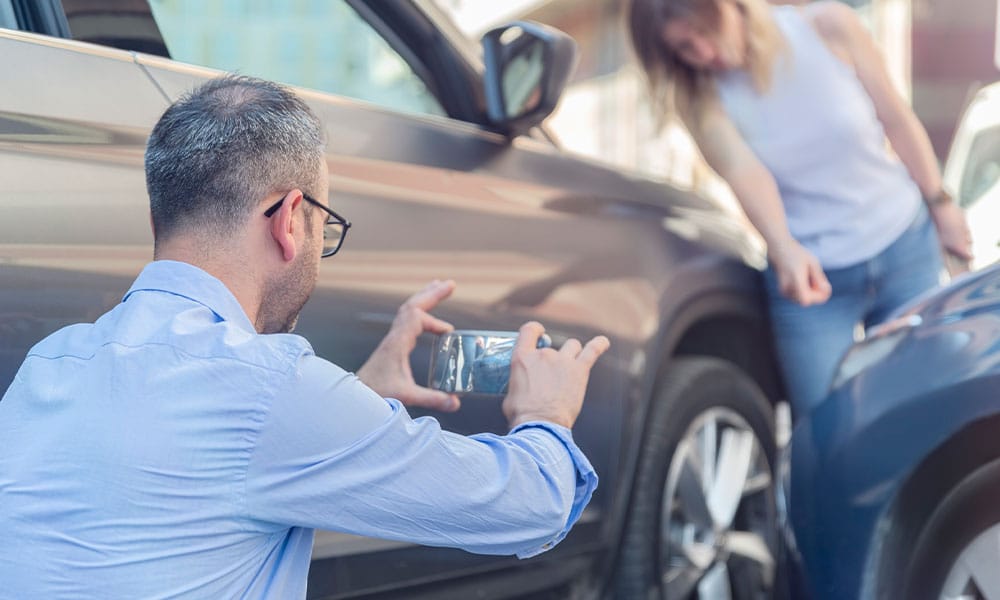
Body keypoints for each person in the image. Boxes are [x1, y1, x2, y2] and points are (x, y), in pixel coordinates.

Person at [0, 75, 611, 598]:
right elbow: (530, 506)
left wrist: (359, 395)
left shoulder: (49, 365)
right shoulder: (271, 388)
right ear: (291, 219)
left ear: (158, 216)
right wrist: (546, 414)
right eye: (325, 225)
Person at [627, 0, 973, 416]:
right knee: (824, 428)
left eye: (705, 30)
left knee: (935, 399)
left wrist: (941, 204)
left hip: (904, 246)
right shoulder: (700, 97)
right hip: (811, 281)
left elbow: (897, 119)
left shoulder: (829, 27)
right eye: (683, 48)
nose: (703, 52)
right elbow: (745, 172)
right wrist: (783, 246)